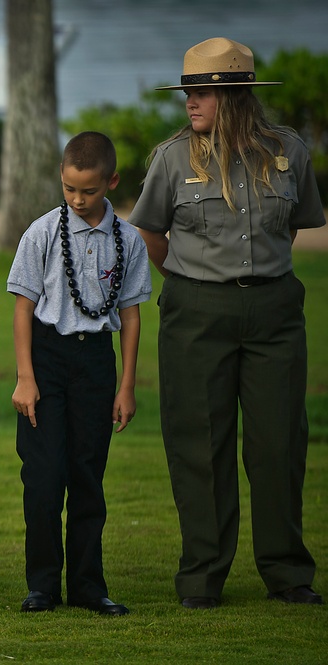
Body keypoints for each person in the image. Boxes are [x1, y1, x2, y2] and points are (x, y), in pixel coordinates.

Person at [129, 37, 325, 609]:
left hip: (276, 312)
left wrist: (255, 274)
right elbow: (150, 235)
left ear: (235, 94)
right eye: (187, 90)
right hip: (196, 313)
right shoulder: (171, 158)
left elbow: (292, 227)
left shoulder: (289, 151)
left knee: (279, 443)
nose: (190, 101)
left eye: (201, 91)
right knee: (199, 444)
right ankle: (202, 579)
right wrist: (195, 282)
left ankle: (288, 574)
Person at [7, 131, 152, 616]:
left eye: (88, 190)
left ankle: (89, 587)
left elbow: (130, 315)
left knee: (88, 475)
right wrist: (26, 377)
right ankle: (42, 586)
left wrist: (127, 385)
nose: (77, 199)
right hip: (47, 360)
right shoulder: (43, 233)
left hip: (96, 365)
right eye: (69, 188)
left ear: (110, 182)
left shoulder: (128, 240)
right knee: (45, 477)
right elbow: (23, 308)